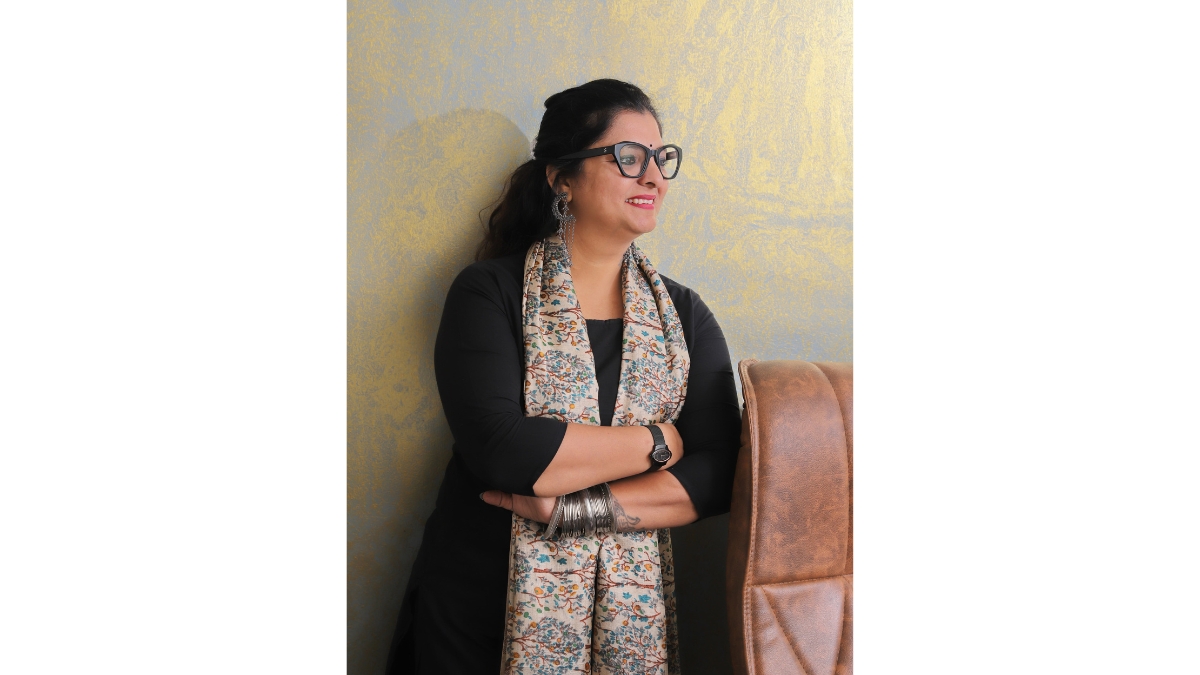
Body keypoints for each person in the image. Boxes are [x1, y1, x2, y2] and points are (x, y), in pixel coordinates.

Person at [387, 79, 741, 674]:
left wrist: (577, 510)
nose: (654, 178)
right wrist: (659, 441)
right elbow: (506, 452)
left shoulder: (683, 315)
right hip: (479, 609)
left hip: (628, 625)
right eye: (628, 157)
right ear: (562, 179)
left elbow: (720, 472)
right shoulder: (490, 292)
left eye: (661, 159)